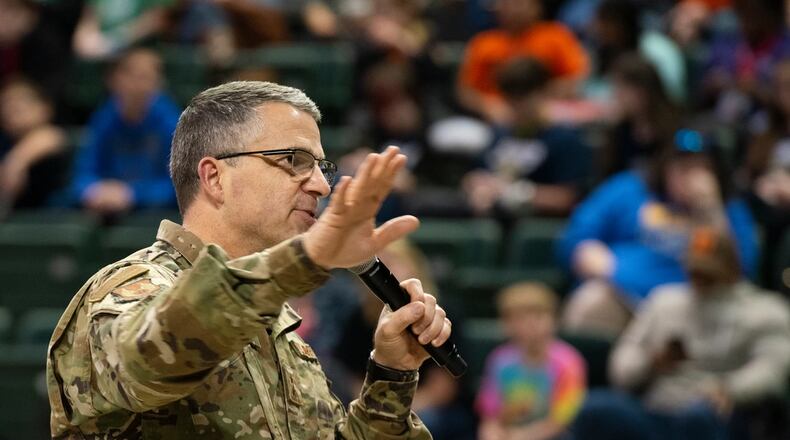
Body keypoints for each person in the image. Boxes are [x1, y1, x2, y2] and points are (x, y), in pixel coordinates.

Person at [47, 81, 453, 438]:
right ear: (214, 177)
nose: (319, 185)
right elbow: (148, 364)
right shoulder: (130, 288)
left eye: (320, 167)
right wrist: (305, 257)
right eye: (294, 160)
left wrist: (390, 374)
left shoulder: (278, 329)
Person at [573, 228, 790, 440]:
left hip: (718, 413)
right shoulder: (664, 302)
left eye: (708, 271)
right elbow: (622, 366)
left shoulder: (765, 310)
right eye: (694, 269)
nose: (699, 277)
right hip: (658, 410)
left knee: (698, 418)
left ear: (732, 268)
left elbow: (772, 369)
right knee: (595, 409)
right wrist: (651, 362)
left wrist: (730, 389)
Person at [558, 131, 758, 336]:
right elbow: (576, 238)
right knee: (590, 303)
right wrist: (589, 255)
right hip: (623, 294)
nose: (689, 178)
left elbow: (740, 270)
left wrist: (709, 209)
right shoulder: (630, 190)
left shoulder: (728, 210)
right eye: (682, 168)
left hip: (693, 306)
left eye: (700, 169)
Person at [462, 57, 593, 217]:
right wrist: (476, 184)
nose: (517, 109)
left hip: (537, 224)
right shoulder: (500, 133)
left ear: (543, 92)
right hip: (493, 218)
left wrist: (516, 193)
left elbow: (569, 197)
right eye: (510, 101)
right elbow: (479, 171)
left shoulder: (564, 139)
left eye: (523, 100)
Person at [71, 47, 180, 216]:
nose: (137, 85)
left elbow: (179, 186)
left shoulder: (171, 122)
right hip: (103, 206)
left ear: (158, 82)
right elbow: (84, 171)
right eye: (130, 75)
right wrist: (92, 190)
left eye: (145, 77)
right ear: (114, 79)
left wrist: (132, 194)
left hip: (153, 214)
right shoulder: (104, 117)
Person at [476, 282, 586, 440]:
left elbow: (562, 420)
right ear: (506, 324)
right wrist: (491, 432)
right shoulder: (499, 360)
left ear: (554, 319)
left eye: (538, 316)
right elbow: (490, 416)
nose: (530, 325)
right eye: (519, 318)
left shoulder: (569, 362)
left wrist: (522, 436)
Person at [457, 0, 589, 125]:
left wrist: (534, 103)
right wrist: (488, 107)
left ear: (536, 6)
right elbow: (466, 91)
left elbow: (577, 77)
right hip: (495, 117)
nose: (512, 9)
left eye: (519, 3)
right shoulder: (483, 43)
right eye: (506, 3)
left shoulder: (556, 36)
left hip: (546, 114)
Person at [0, 77, 67, 212]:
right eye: (6, 105)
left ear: (45, 108)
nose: (11, 111)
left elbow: (49, 138)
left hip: (52, 216)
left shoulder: (51, 135)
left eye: (20, 104)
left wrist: (15, 164)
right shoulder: (4, 142)